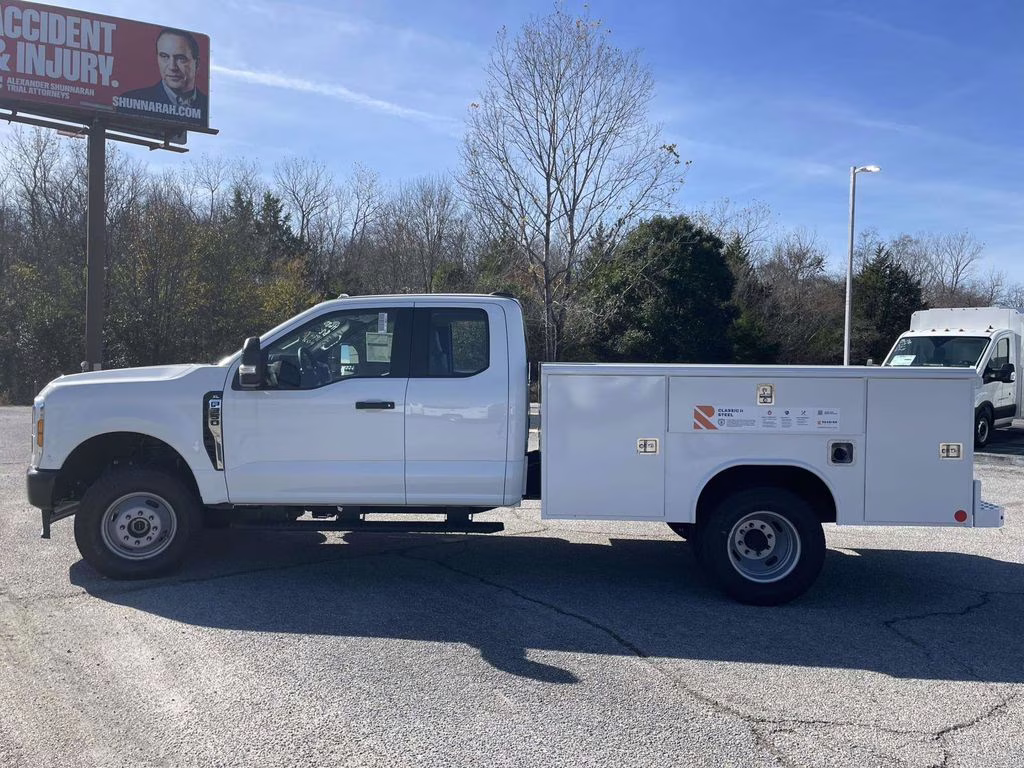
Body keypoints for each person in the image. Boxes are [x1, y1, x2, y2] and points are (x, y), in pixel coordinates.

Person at [116, 28, 207, 124]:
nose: (172, 67)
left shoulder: (206, 108)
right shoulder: (131, 102)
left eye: (180, 58)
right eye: (164, 56)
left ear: (197, 64)